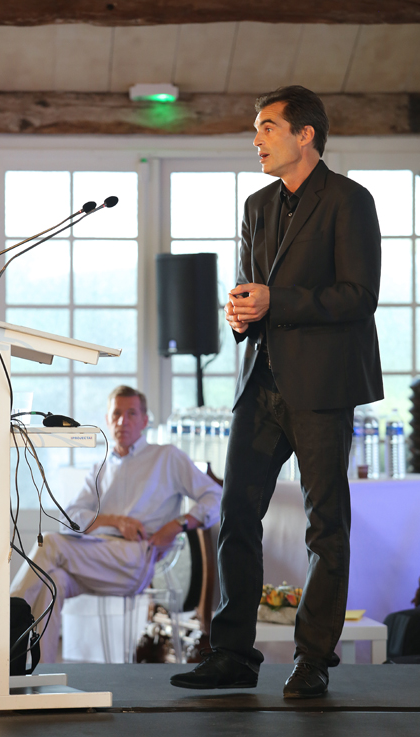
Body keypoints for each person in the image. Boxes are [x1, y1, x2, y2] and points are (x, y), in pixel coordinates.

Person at [171, 85, 383, 697]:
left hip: (322, 386)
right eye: (256, 129)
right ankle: (233, 654)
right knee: (236, 515)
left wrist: (274, 300)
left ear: (304, 134)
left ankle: (313, 658)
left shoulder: (350, 200)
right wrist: (241, 313)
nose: (256, 140)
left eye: (267, 127)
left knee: (325, 525)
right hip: (260, 381)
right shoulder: (257, 205)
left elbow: (359, 296)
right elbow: (252, 288)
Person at [11, 385, 221, 662]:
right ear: (108, 421)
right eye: (117, 414)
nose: (123, 421)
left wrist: (177, 525)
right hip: (97, 555)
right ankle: (40, 670)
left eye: (131, 413)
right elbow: (68, 518)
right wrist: (114, 521)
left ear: (145, 420)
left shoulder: (166, 457)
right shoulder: (101, 467)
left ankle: (3, 621)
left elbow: (215, 497)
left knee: (49, 543)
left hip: (136, 558)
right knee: (55, 582)